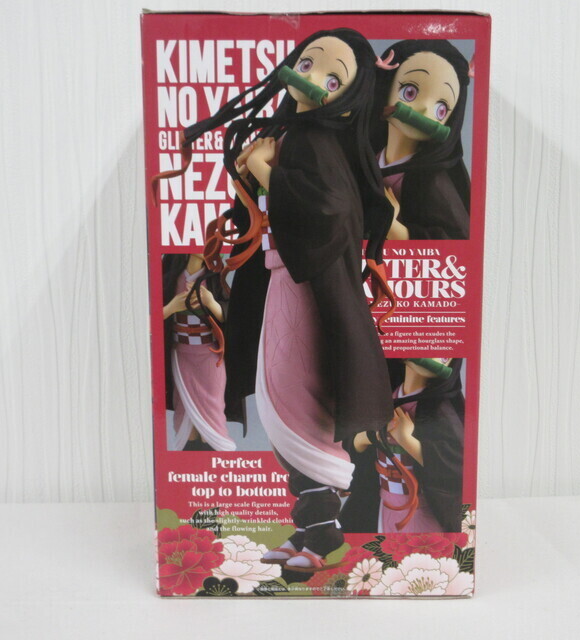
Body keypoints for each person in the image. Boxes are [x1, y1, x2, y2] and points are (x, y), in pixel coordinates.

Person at [152, 28, 395, 572]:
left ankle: (322, 536)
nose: (312, 78)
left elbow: (330, 212)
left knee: (298, 407)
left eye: (332, 78)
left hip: (307, 286)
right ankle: (310, 529)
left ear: (348, 94)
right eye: (308, 63)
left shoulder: (318, 141)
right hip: (282, 278)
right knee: (279, 402)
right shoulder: (295, 134)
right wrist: (254, 173)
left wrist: (265, 171)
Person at [340, 358, 465, 533]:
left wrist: (406, 440)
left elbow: (455, 466)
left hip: (421, 509)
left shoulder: (438, 408)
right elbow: (352, 443)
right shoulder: (383, 398)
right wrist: (364, 438)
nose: (434, 356)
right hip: (382, 502)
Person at [372, 39, 472, 240]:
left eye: (441, 109)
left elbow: (455, 243)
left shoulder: (432, 182)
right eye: (409, 92)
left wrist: (393, 227)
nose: (425, 110)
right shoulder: (367, 159)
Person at [162, 253, 235, 452]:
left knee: (212, 408)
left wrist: (211, 303)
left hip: (210, 354)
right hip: (181, 355)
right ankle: (189, 456)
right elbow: (151, 313)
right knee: (183, 410)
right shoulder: (170, 275)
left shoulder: (214, 276)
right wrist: (171, 307)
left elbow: (230, 314)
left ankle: (213, 454)